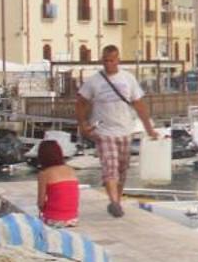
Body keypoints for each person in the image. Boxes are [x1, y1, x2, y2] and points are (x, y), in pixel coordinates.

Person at [75, 45, 159, 218]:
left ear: (118, 60)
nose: (108, 64)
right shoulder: (94, 81)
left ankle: (117, 201)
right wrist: (83, 124)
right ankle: (113, 202)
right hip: (104, 131)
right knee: (109, 167)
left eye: (111, 60)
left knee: (122, 169)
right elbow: (81, 102)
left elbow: (139, 105)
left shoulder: (128, 79)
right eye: (105, 60)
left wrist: (149, 128)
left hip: (125, 130)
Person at [35, 139, 80, 226]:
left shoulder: (44, 174)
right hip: (73, 219)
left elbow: (40, 203)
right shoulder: (70, 169)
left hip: (54, 219)